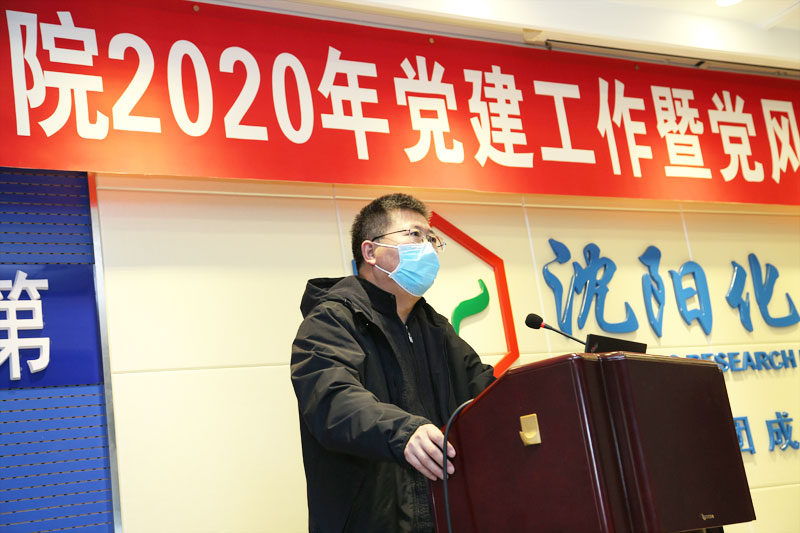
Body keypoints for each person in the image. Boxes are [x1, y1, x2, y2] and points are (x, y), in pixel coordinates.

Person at [290, 193, 495, 532]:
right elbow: (333, 401)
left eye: (431, 238)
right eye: (414, 235)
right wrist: (403, 431)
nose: (427, 247)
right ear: (370, 252)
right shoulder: (331, 321)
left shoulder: (435, 329)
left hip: (443, 518)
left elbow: (487, 392)